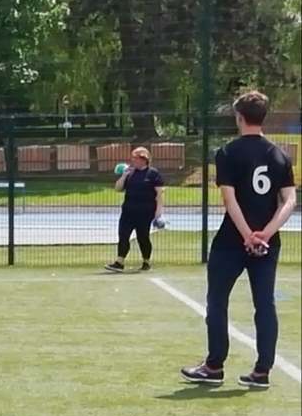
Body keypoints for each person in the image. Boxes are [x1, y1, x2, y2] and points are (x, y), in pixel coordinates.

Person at [181, 90, 297, 389]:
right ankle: (262, 371)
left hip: (231, 241)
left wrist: (247, 234)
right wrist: (266, 233)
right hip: (267, 244)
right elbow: (289, 200)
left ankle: (214, 366)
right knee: (265, 304)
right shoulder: (280, 155)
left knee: (217, 301)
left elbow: (229, 200)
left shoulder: (228, 152)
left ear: (239, 117)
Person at [104, 147, 165, 273]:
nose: (133, 160)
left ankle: (146, 261)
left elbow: (159, 194)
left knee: (143, 237)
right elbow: (118, 188)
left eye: (136, 158)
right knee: (123, 235)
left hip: (145, 212)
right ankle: (119, 262)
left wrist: (158, 212)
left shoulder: (153, 173)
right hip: (128, 211)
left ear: (144, 159)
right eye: (133, 158)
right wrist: (124, 175)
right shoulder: (130, 173)